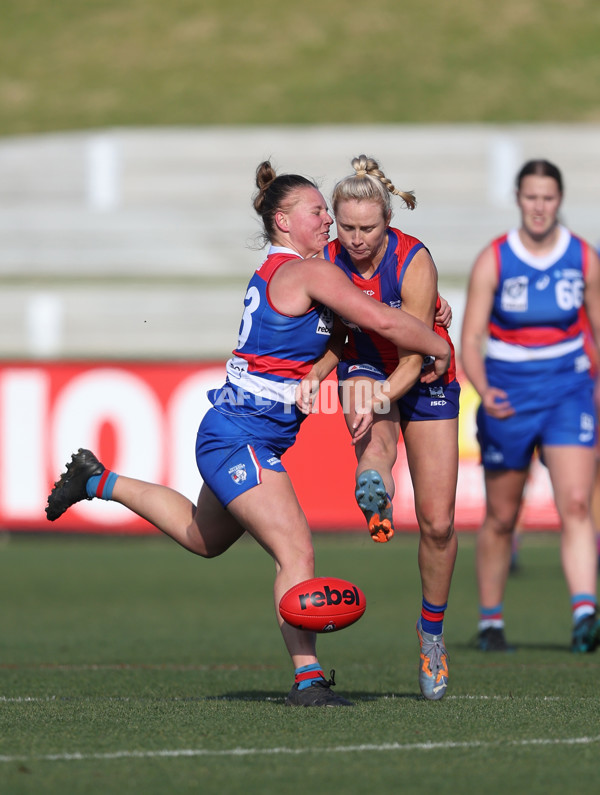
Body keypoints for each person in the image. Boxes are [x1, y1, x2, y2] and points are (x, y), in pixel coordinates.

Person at [46, 160, 451, 707]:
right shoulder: (309, 272)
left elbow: (368, 316)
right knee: (296, 549)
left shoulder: (292, 268)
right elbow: (380, 321)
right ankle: (308, 681)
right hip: (241, 436)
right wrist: (435, 341)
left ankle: (98, 480)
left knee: (203, 538)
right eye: (317, 213)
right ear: (283, 220)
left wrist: (422, 313)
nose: (328, 223)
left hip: (233, 429)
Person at [298, 155, 459, 701]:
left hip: (425, 369)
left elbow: (415, 357)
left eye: (369, 229)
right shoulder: (328, 259)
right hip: (365, 362)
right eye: (347, 227)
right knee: (374, 433)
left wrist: (385, 393)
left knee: (438, 524)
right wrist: (320, 374)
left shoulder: (414, 261)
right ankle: (377, 487)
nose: (357, 239)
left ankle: (430, 634)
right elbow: (333, 336)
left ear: (387, 223)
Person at [460, 158, 600, 653]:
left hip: (568, 390)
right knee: (502, 514)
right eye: (531, 197)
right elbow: (471, 338)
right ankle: (491, 620)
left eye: (548, 197)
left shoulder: (583, 257)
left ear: (559, 200)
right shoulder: (494, 259)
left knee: (577, 504)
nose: (539, 206)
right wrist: (483, 387)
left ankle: (585, 612)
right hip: (509, 393)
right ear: (518, 199)